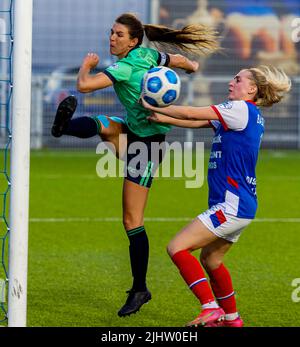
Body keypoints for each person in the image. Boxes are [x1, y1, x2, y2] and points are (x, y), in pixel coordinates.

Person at [51, 13, 219, 317]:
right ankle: (64, 127)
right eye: (111, 33)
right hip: (133, 132)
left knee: (132, 220)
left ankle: (140, 288)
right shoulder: (147, 54)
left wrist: (87, 66)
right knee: (105, 124)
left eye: (118, 35)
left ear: (132, 40)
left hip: (148, 147)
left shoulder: (126, 66)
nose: (112, 38)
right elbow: (177, 59)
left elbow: (85, 86)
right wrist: (192, 67)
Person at [142, 65, 291, 327]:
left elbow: (190, 111)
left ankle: (210, 308)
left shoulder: (239, 109)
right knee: (212, 260)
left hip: (231, 204)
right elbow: (198, 121)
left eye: (238, 79)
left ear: (252, 89)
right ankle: (232, 319)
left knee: (177, 248)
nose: (231, 82)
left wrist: (154, 104)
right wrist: (164, 119)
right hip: (243, 205)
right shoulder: (247, 114)